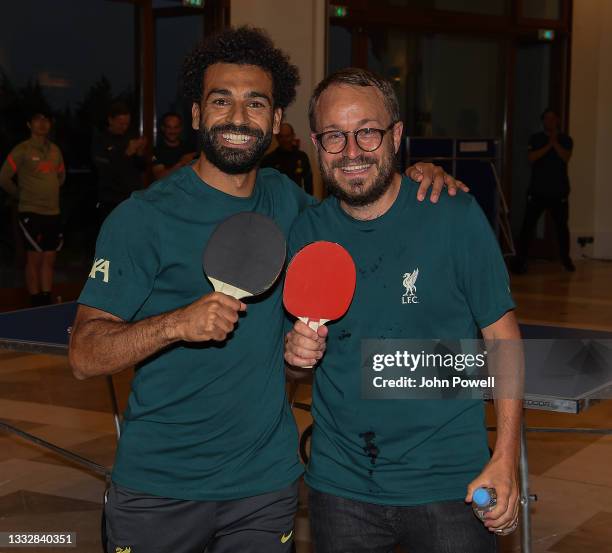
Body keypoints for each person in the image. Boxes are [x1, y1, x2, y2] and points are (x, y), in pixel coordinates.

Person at [69, 27, 465, 553]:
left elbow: (364, 203)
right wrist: (175, 323)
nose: (237, 118)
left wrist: (412, 177)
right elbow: (83, 354)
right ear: (195, 114)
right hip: (159, 486)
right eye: (221, 101)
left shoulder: (292, 205)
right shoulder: (142, 219)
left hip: (265, 485)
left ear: (275, 122)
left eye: (255, 103)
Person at [284, 68, 522, 553]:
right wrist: (293, 356)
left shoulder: (453, 215)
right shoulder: (305, 233)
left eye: (367, 131)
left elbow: (503, 340)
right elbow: (291, 367)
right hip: (340, 488)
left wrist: (505, 457)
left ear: (395, 135)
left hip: (451, 485)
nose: (352, 151)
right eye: (335, 136)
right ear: (316, 143)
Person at [0, 110, 65, 306]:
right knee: (34, 258)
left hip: (53, 212)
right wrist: (22, 195)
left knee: (50, 257)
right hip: (30, 212)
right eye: (37, 120)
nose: (42, 124)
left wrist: (48, 189)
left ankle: (46, 297)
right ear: (29, 124)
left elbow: (61, 177)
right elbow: (3, 178)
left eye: (46, 120)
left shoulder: (55, 150)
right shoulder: (22, 150)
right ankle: (35, 300)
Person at [512, 108, 574, 273]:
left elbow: (565, 157)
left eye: (552, 119)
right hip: (537, 191)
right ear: (543, 121)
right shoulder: (536, 138)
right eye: (546, 119)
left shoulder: (566, 139)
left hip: (559, 191)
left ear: (558, 121)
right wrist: (549, 144)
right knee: (527, 227)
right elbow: (532, 158)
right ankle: (520, 262)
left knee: (561, 227)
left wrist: (556, 143)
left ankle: (566, 260)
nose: (549, 122)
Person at [91, 101, 146, 224]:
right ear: (110, 120)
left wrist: (140, 153)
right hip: (110, 201)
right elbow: (105, 171)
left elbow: (141, 167)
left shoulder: (130, 137)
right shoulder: (100, 141)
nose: (124, 127)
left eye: (127, 123)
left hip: (132, 199)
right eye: (121, 123)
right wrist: (127, 153)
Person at [261, 122, 313, 194]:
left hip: (297, 200)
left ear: (293, 136)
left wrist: (309, 202)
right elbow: (263, 185)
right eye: (281, 136)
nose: (285, 140)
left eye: (287, 136)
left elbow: (308, 182)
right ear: (277, 138)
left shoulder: (302, 156)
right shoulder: (268, 160)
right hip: (276, 201)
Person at [152, 112, 196, 180]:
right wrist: (181, 163)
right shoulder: (156, 151)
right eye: (169, 127)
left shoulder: (189, 148)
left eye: (176, 127)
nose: (172, 131)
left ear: (181, 128)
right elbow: (159, 176)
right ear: (163, 128)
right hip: (166, 190)